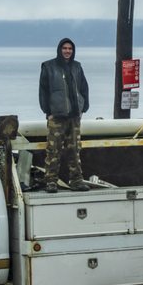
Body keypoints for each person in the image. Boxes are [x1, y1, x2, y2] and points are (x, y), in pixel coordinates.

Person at [39, 38, 89, 193]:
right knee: (53, 150)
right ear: (59, 49)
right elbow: (43, 91)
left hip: (74, 116)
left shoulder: (77, 67)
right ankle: (51, 181)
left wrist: (83, 108)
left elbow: (84, 88)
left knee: (74, 150)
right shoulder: (48, 66)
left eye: (70, 49)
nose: (67, 51)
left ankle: (76, 180)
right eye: (65, 48)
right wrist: (48, 112)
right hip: (57, 116)